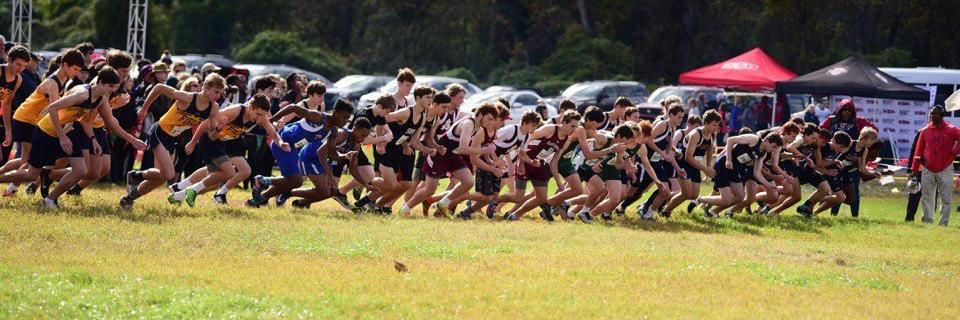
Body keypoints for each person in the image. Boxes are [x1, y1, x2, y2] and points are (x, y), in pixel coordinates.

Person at [0, 67, 146, 208]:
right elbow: (52, 108)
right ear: (100, 82)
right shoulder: (82, 93)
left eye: (115, 87)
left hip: (66, 130)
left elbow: (100, 122)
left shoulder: (101, 99)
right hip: (47, 131)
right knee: (31, 175)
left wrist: (98, 139)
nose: (113, 90)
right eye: (111, 86)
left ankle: (49, 200)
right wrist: (62, 136)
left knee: (81, 171)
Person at [121, 73, 225, 209]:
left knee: (160, 178)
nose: (217, 96)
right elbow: (159, 87)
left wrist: (218, 129)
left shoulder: (213, 108)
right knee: (169, 174)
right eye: (215, 92)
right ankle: (136, 175)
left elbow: (212, 135)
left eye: (220, 93)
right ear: (205, 87)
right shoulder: (187, 97)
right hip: (160, 132)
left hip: (172, 138)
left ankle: (129, 197)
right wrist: (145, 108)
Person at [168, 94, 288, 207]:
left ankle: (180, 189)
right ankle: (188, 191)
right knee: (225, 174)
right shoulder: (235, 111)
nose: (259, 118)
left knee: (245, 171)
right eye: (258, 114)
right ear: (250, 107)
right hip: (212, 140)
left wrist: (281, 143)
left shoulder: (261, 117)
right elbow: (207, 121)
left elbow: (273, 133)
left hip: (229, 142)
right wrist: (193, 142)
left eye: (263, 115)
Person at [910, 105, 960, 226]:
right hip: (927, 168)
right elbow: (919, 150)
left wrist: (954, 152)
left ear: (942, 115)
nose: (932, 116)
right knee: (927, 197)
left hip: (946, 168)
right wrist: (914, 168)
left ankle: (943, 224)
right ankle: (927, 221)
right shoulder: (925, 130)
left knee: (946, 198)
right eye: (931, 114)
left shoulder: (952, 129)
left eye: (935, 114)